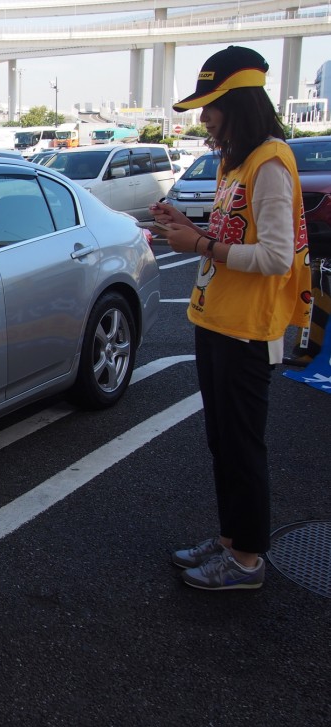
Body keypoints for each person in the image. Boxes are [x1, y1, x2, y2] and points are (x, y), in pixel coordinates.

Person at [150, 46, 311, 591]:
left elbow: (274, 257)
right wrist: (187, 228)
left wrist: (199, 244)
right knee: (223, 441)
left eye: (210, 107)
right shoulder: (234, 162)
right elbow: (230, 236)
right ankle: (229, 541)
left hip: (248, 332)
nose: (204, 120)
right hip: (216, 321)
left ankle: (247, 561)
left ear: (237, 103)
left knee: (243, 446)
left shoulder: (269, 162)